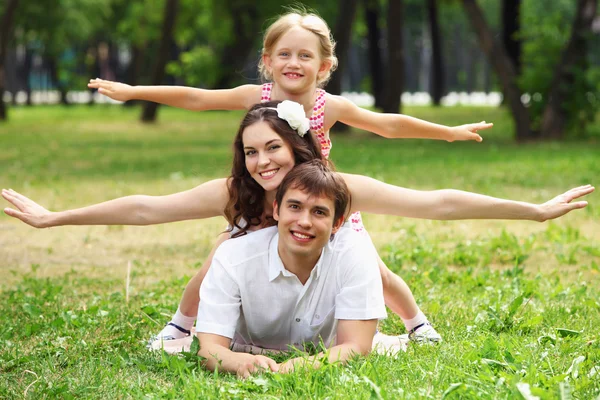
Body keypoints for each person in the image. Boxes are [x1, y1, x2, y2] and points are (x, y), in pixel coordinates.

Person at [2, 101, 593, 347]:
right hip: (261, 272)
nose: (263, 162)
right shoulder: (238, 191)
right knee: (222, 251)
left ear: (299, 148)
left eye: (274, 149)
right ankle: (180, 330)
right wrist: (54, 218)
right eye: (251, 151)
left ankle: (411, 326)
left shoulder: (337, 191)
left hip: (324, 264)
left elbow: (435, 201)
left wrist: (534, 211)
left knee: (367, 266)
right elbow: (145, 207)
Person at [87, 9, 495, 343]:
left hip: (316, 201)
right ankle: (180, 323)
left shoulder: (328, 105)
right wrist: (135, 90)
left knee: (376, 268)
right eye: (283, 54)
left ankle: (417, 324)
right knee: (217, 258)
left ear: (324, 65)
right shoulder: (256, 97)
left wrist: (446, 132)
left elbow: (387, 124)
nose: (293, 63)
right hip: (265, 200)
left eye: (304, 56)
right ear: (267, 61)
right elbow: (196, 98)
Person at [196, 160, 386, 378]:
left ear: (337, 223)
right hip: (246, 347)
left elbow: (357, 346)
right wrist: (240, 362)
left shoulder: (355, 253)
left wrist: (302, 366)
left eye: (319, 212)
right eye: (294, 207)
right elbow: (208, 349)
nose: (304, 222)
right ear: (277, 210)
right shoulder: (233, 257)